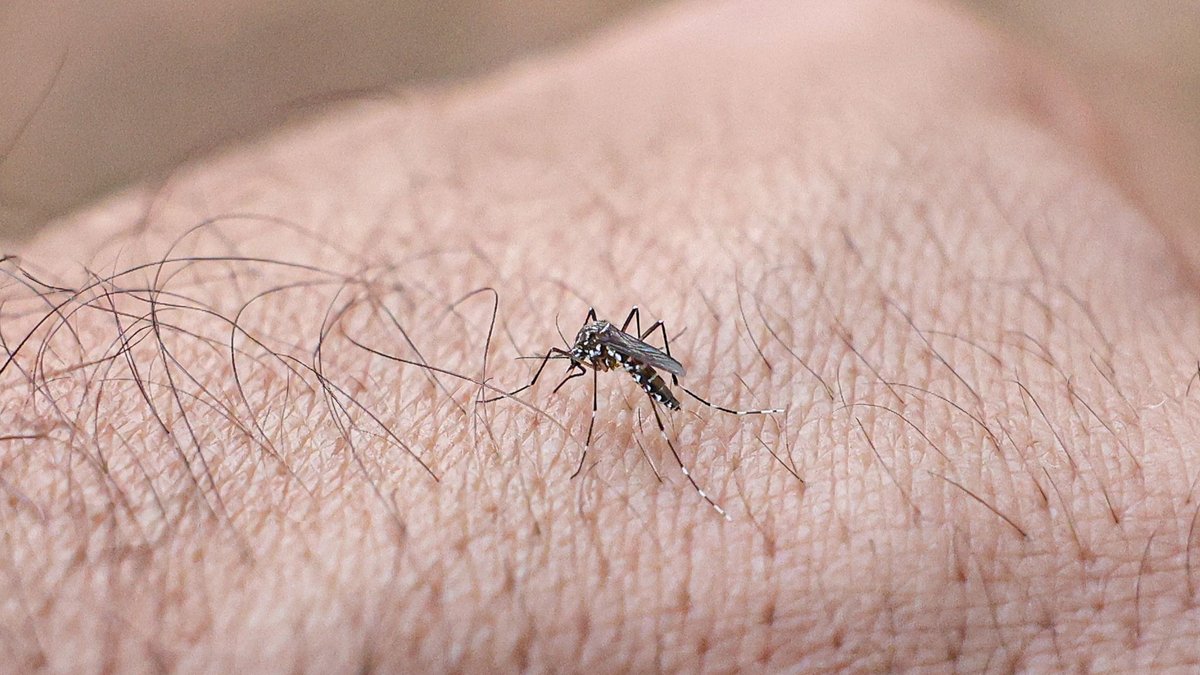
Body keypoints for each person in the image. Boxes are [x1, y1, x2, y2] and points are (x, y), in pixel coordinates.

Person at [2, 0, 1197, 672]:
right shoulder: (590, 347)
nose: (584, 360)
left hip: (661, 375)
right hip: (642, 358)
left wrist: (652, 380)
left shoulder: (616, 359)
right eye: (590, 353)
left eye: (587, 354)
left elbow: (613, 356)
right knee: (621, 371)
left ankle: (697, 416)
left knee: (642, 385)